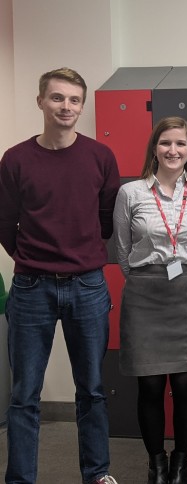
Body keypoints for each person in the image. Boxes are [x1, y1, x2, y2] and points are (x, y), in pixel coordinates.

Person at [0, 67, 120, 484]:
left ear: (81, 106)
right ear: (40, 102)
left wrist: (77, 255)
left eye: (73, 100)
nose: (66, 106)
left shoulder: (100, 157)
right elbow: (5, 222)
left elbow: (105, 221)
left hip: (87, 286)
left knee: (92, 389)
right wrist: (33, 258)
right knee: (24, 395)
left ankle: (96, 474)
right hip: (31, 287)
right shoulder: (15, 159)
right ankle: (20, 479)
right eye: (57, 98)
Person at [113, 116, 187, 484]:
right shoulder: (131, 193)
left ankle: (181, 463)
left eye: (180, 143)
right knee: (150, 385)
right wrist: (148, 276)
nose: (173, 150)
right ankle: (156, 463)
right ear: (154, 149)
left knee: (185, 384)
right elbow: (122, 250)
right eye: (165, 143)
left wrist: (179, 268)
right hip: (144, 293)